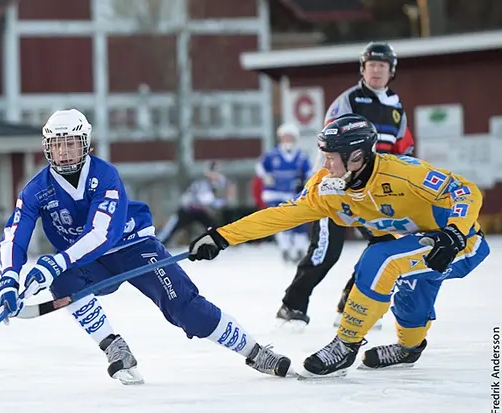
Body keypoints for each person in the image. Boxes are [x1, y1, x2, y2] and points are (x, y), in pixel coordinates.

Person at [0, 109, 292, 385]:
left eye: (70, 144)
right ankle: (114, 347)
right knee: (63, 283)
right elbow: (15, 233)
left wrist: (57, 262)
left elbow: (102, 234)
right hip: (89, 263)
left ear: (85, 144)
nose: (63, 152)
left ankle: (254, 352)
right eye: (56, 145)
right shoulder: (36, 189)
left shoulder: (104, 176)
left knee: (186, 309)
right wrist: (9, 279)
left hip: (132, 246)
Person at [187, 114, 489, 378]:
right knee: (411, 297)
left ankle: (345, 345)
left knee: (381, 259)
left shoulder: (402, 173)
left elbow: (465, 190)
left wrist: (455, 233)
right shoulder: (327, 188)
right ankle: (409, 349)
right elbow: (281, 216)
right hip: (417, 244)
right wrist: (222, 236)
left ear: (356, 156)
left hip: (459, 243)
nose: (324, 164)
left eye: (331, 157)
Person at [276, 41, 416, 327]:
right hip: (336, 188)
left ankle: (349, 305)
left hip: (373, 193)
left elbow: (404, 150)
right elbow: (327, 142)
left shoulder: (396, 107)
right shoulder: (350, 100)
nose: (376, 71)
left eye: (382, 66)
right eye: (371, 65)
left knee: (384, 246)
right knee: (326, 251)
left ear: (392, 71)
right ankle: (292, 307)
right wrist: (324, 182)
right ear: (362, 69)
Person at [256, 122, 311, 263]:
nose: (288, 140)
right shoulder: (272, 154)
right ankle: (285, 248)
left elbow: (308, 173)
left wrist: (304, 183)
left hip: (293, 193)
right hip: (275, 193)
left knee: (299, 221)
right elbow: (260, 167)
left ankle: (299, 248)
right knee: (281, 221)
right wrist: (266, 177)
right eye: (285, 137)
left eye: (290, 137)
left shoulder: (300, 156)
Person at [157, 161, 234, 246]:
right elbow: (207, 200)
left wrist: (228, 191)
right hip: (187, 210)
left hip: (199, 211)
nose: (215, 175)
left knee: (212, 227)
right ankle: (159, 244)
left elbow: (226, 185)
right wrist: (223, 201)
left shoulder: (217, 180)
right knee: (171, 229)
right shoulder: (202, 182)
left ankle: (219, 243)